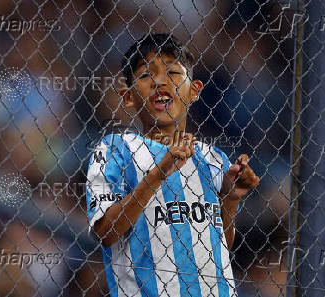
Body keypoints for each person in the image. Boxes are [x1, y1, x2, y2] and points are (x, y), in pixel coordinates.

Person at [85, 33, 260, 297]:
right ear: (128, 96)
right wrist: (159, 173)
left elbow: (222, 242)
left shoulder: (214, 158)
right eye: (146, 75)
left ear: (194, 91)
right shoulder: (115, 150)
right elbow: (105, 231)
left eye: (174, 73)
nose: (161, 82)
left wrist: (231, 199)